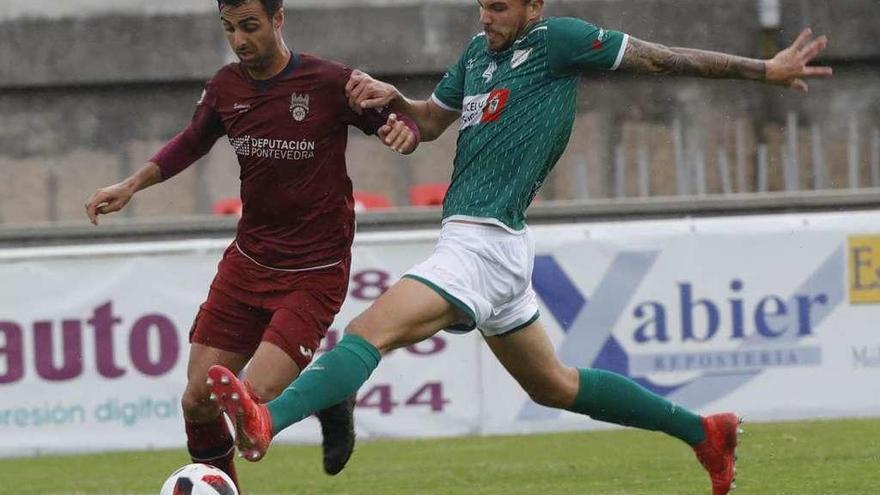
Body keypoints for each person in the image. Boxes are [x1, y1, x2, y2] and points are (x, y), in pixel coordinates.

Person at [205, 1, 832, 494]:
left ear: (535, 6)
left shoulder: (560, 41)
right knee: (554, 386)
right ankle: (706, 432)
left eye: (501, 7)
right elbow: (427, 124)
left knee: (370, 332)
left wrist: (764, 70)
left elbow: (662, 57)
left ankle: (270, 419)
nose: (487, 17)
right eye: (482, 5)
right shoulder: (478, 54)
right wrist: (393, 100)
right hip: (490, 246)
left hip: (483, 242)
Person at [84, 0, 419, 489]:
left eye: (249, 26)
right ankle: (226, 486)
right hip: (248, 263)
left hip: (314, 270)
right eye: (229, 29)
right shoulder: (226, 87)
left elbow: (399, 120)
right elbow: (192, 140)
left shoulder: (330, 82)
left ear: (278, 20)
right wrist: (131, 186)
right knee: (197, 401)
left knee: (251, 401)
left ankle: (330, 394)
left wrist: (403, 130)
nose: (239, 40)